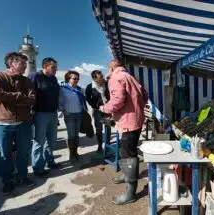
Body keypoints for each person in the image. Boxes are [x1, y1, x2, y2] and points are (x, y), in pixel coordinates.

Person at [99, 60, 148, 205]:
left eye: (108, 69)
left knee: (128, 155)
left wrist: (103, 108)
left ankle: (130, 193)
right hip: (136, 119)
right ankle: (126, 175)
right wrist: (136, 106)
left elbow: (117, 101)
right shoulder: (131, 77)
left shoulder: (115, 77)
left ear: (111, 67)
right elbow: (145, 95)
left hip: (128, 122)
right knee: (128, 151)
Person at [0, 52, 36, 195]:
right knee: (4, 154)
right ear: (11, 63)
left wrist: (10, 98)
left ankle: (22, 176)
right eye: (22, 63)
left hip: (23, 123)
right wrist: (20, 96)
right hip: (2, 124)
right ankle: (7, 181)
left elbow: (32, 99)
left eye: (26, 64)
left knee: (23, 153)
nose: (25, 66)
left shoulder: (27, 81)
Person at [29, 57, 59, 177]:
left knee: (51, 140)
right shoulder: (34, 76)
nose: (56, 70)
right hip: (40, 113)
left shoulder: (54, 78)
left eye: (56, 67)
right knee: (39, 142)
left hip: (53, 113)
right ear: (45, 66)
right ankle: (38, 168)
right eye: (53, 67)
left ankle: (50, 161)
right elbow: (29, 94)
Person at [59, 71, 87, 161]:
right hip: (69, 115)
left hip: (79, 114)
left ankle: (75, 152)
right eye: (74, 78)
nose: (76, 80)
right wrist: (63, 110)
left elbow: (82, 102)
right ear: (68, 79)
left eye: (77, 78)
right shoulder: (63, 89)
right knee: (71, 135)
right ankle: (71, 155)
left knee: (77, 135)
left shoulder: (79, 89)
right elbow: (60, 102)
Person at [85, 70, 110, 153]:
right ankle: (100, 145)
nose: (103, 78)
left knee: (108, 127)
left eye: (102, 76)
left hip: (107, 110)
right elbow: (88, 99)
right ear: (95, 79)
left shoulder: (106, 84)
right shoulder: (90, 87)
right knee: (99, 129)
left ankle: (108, 144)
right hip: (98, 111)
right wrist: (95, 106)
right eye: (100, 77)